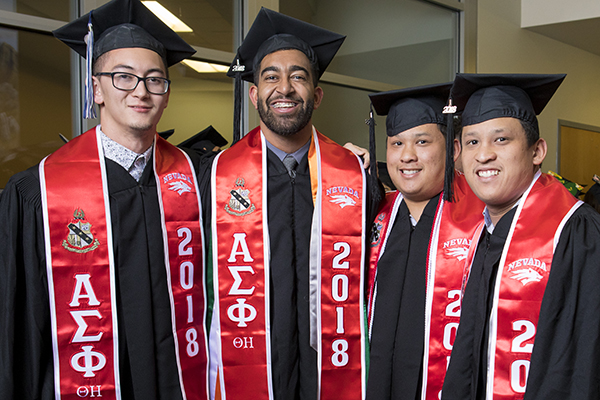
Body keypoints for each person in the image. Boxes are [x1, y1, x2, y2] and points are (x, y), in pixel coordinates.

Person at [0, 0, 211, 398]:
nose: (141, 92)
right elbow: (20, 322)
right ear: (95, 88)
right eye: (123, 77)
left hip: (178, 380)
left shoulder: (196, 179)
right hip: (84, 377)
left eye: (155, 79)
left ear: (166, 94)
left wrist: (356, 168)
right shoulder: (39, 191)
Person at [207, 8, 377, 400]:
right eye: (271, 77)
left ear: (316, 95)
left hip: (330, 367)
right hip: (251, 362)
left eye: (298, 76)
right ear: (254, 95)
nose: (284, 88)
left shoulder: (354, 177)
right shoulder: (215, 177)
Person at [441, 73, 600, 400]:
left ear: (537, 151)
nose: (483, 155)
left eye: (500, 140)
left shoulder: (578, 234)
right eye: (472, 141)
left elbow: (584, 361)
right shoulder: (481, 231)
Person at [364, 83, 484, 400]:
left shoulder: (482, 221)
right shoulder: (372, 216)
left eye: (422, 142)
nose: (407, 156)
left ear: (453, 149)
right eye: (396, 143)